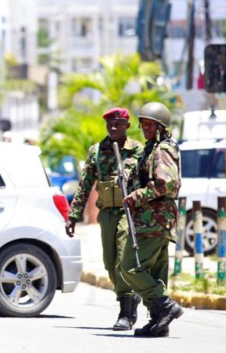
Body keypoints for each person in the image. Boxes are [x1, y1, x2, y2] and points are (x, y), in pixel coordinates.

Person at [65, 107, 144, 331]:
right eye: (110, 124)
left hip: (128, 212)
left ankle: (125, 312)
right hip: (107, 213)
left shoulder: (137, 150)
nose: (113, 128)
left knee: (123, 260)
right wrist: (73, 215)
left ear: (127, 125)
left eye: (118, 124)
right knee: (110, 263)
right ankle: (130, 298)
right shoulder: (97, 151)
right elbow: (85, 184)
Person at [121, 102, 183, 337]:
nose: (145, 128)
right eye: (143, 124)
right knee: (156, 273)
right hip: (152, 220)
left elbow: (166, 183)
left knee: (130, 267)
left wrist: (136, 195)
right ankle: (159, 321)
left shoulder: (162, 149)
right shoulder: (153, 148)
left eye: (150, 124)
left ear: (161, 127)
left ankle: (166, 306)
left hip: (154, 221)